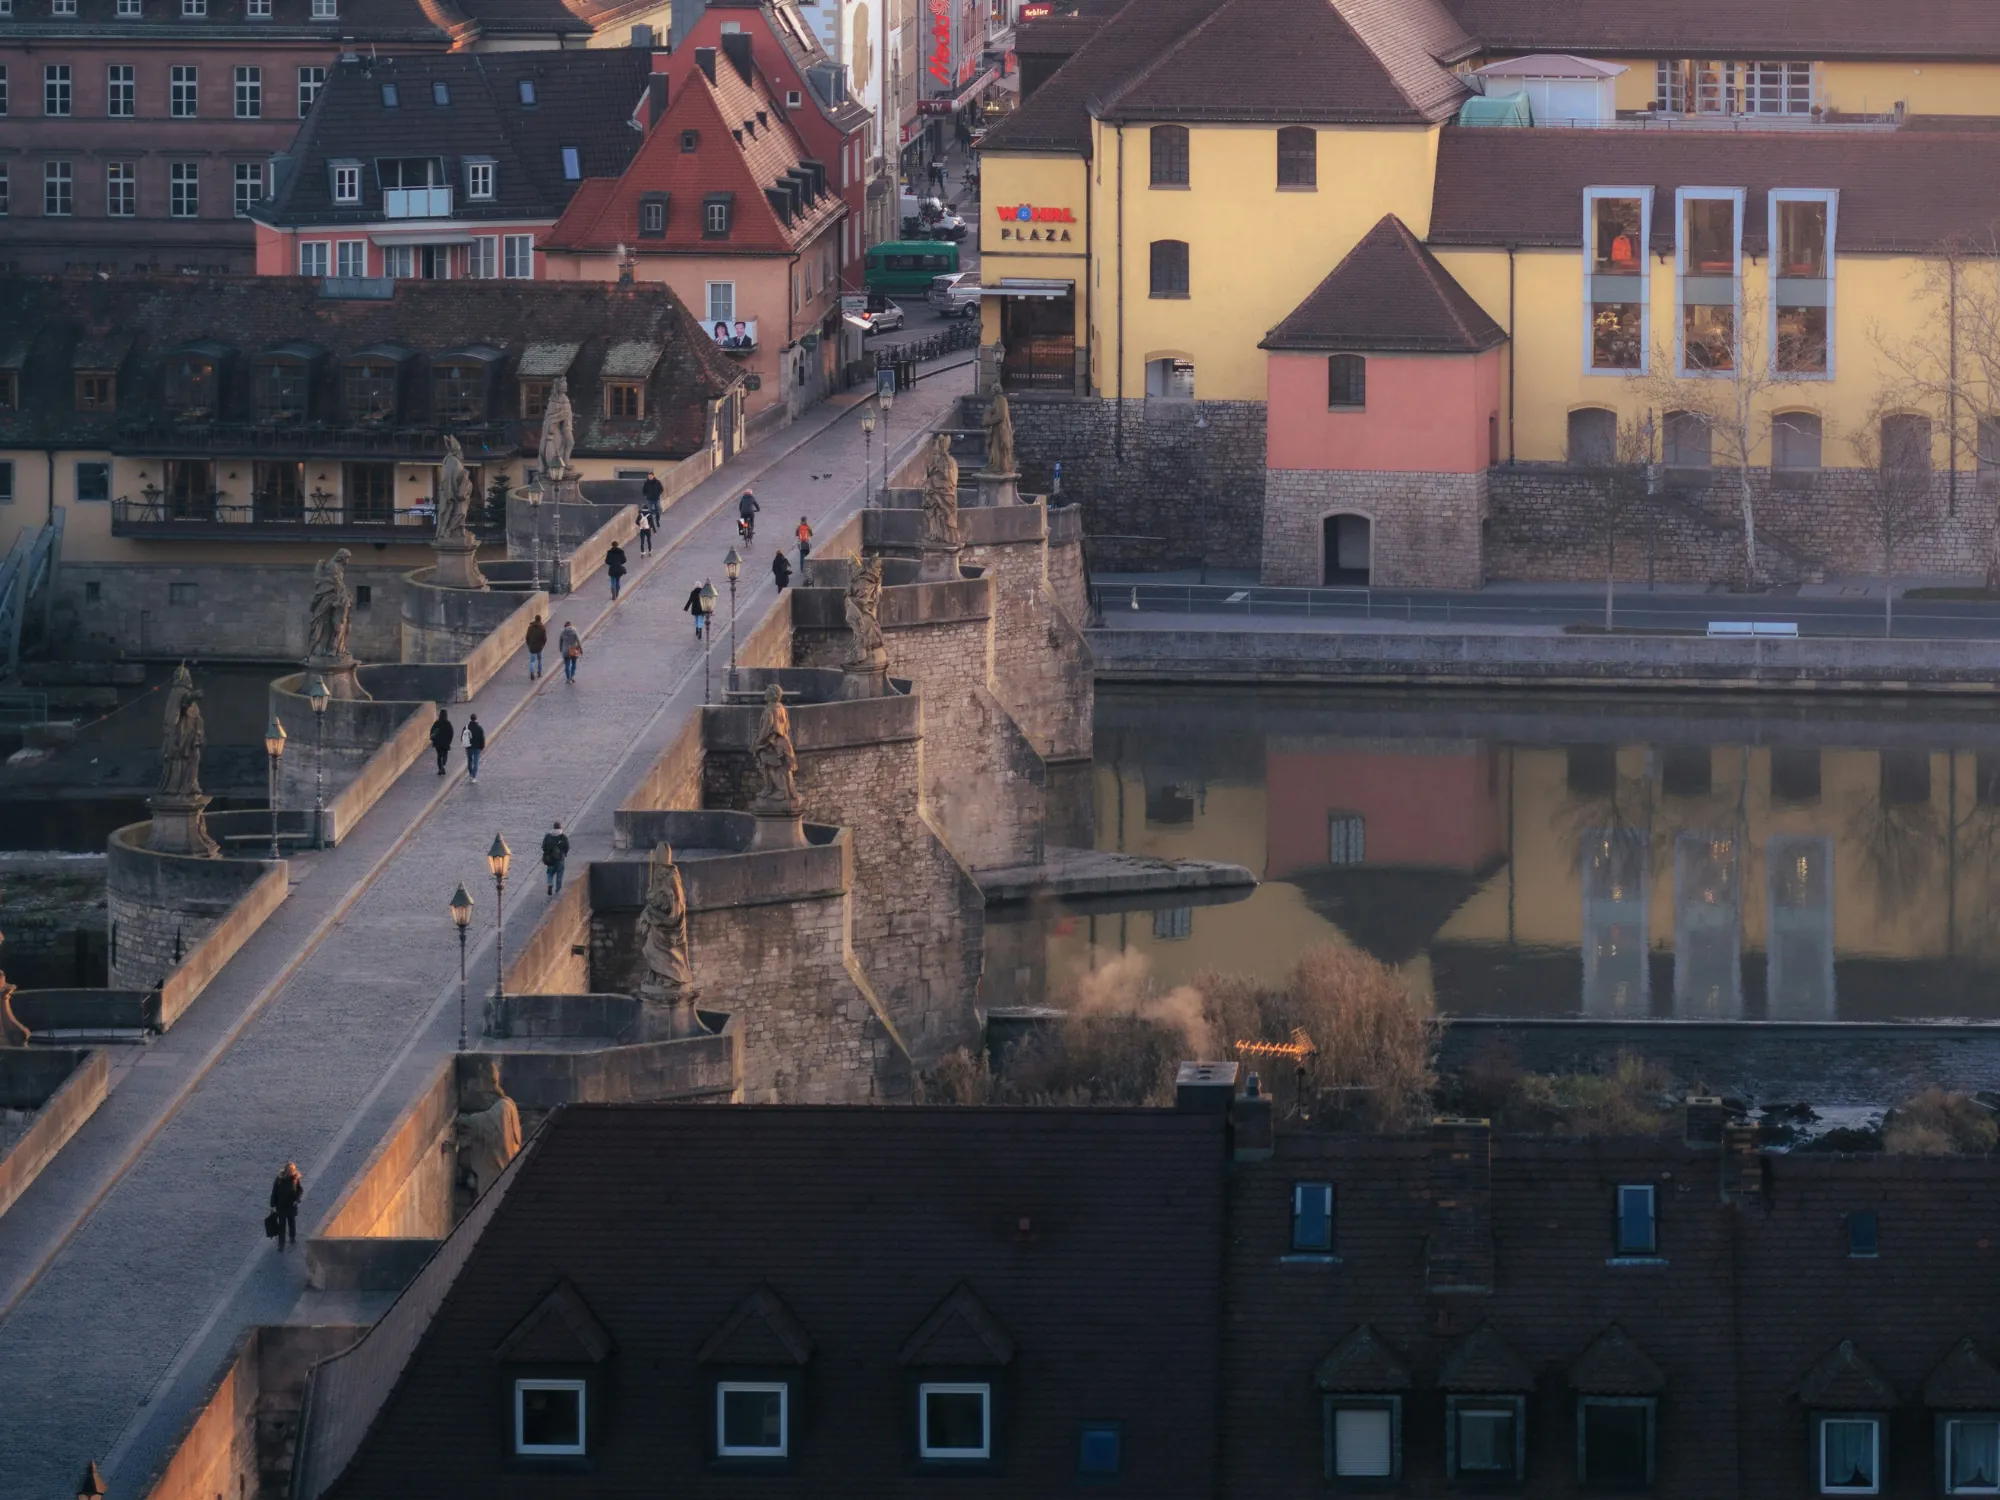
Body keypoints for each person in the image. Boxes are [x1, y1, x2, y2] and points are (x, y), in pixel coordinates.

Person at [269, 1162, 303, 1252]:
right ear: (286, 1171)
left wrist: (297, 1199)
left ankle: (292, 1237)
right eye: (290, 1170)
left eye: (293, 1170)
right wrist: (272, 1206)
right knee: (282, 1226)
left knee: (292, 1223)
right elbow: (274, 1193)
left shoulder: (295, 1179)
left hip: (291, 1206)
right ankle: (281, 1244)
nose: (292, 1172)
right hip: (281, 1207)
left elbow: (300, 1190)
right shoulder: (279, 1180)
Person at [541, 819, 570, 897]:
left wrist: (547, 851)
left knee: (550, 873)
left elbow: (543, 846)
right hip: (560, 859)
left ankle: (550, 884)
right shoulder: (563, 836)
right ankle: (558, 891)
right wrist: (565, 853)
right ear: (560, 828)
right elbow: (567, 846)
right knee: (559, 875)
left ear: (553, 828)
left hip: (550, 859)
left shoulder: (548, 836)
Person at [462, 713, 485, 782]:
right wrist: (482, 747)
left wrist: (464, 744)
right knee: (476, 761)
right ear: (476, 719)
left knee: (469, 760)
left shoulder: (466, 727)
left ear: (470, 718)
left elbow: (462, 737)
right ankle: (473, 776)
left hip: (468, 747)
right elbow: (482, 738)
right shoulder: (479, 728)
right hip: (477, 747)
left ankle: (470, 773)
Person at [429, 709, 453, 775]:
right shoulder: (448, 723)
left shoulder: (437, 723)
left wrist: (434, 741)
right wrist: (449, 741)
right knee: (445, 755)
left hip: (438, 743)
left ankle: (440, 768)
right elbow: (451, 733)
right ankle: (443, 765)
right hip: (445, 743)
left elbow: (432, 732)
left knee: (439, 756)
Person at [524, 614, 547, 680]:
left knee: (532, 661)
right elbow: (544, 638)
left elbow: (527, 637)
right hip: (539, 647)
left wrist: (529, 644)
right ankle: (539, 672)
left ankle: (532, 673)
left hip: (532, 646)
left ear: (535, 619)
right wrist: (542, 645)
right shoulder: (542, 628)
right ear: (540, 619)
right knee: (539, 659)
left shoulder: (530, 627)